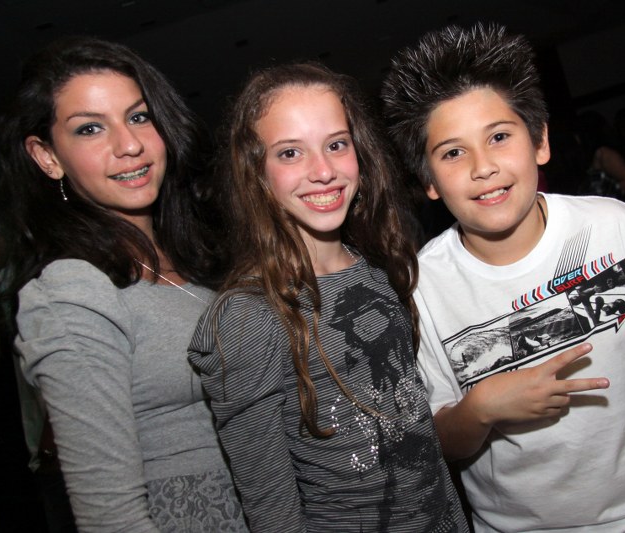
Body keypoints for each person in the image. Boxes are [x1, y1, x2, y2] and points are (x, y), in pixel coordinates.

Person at [381, 23, 625, 532]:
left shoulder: (609, 226)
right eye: (452, 152)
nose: (482, 166)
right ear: (428, 181)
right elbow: (442, 440)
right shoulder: (423, 287)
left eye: (499, 137)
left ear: (540, 142)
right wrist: (482, 407)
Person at [187, 62, 469, 532]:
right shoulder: (247, 316)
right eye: (290, 153)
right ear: (255, 172)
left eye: (336, 144)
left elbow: (429, 455)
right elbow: (271, 507)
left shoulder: (381, 269)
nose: (323, 171)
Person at [0, 36, 246, 532]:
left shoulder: (199, 260)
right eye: (90, 128)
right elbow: (110, 518)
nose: (129, 144)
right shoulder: (71, 292)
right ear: (47, 157)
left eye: (139, 117)